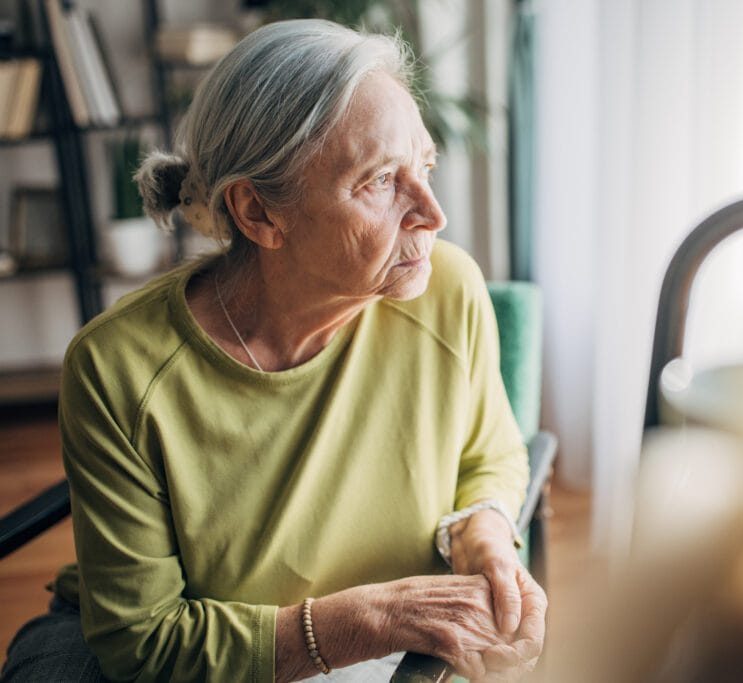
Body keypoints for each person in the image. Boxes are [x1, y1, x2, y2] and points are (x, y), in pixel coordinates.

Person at [1, 18, 545, 683]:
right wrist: (369, 618)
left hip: (378, 649)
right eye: (378, 181)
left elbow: (489, 450)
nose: (433, 213)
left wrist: (482, 527)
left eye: (424, 166)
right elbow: (143, 640)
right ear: (258, 213)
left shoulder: (448, 290)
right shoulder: (118, 367)